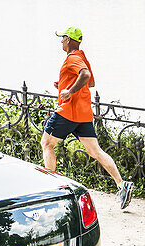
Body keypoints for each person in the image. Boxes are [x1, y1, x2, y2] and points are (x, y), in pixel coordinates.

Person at [42, 25, 134, 210]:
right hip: (83, 114)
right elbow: (90, 82)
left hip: (68, 112)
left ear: (68, 39)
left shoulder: (73, 58)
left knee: (46, 143)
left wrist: (69, 91)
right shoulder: (82, 57)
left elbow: (85, 75)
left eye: (63, 38)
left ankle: (50, 189)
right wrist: (64, 84)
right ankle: (121, 184)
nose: (61, 41)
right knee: (95, 151)